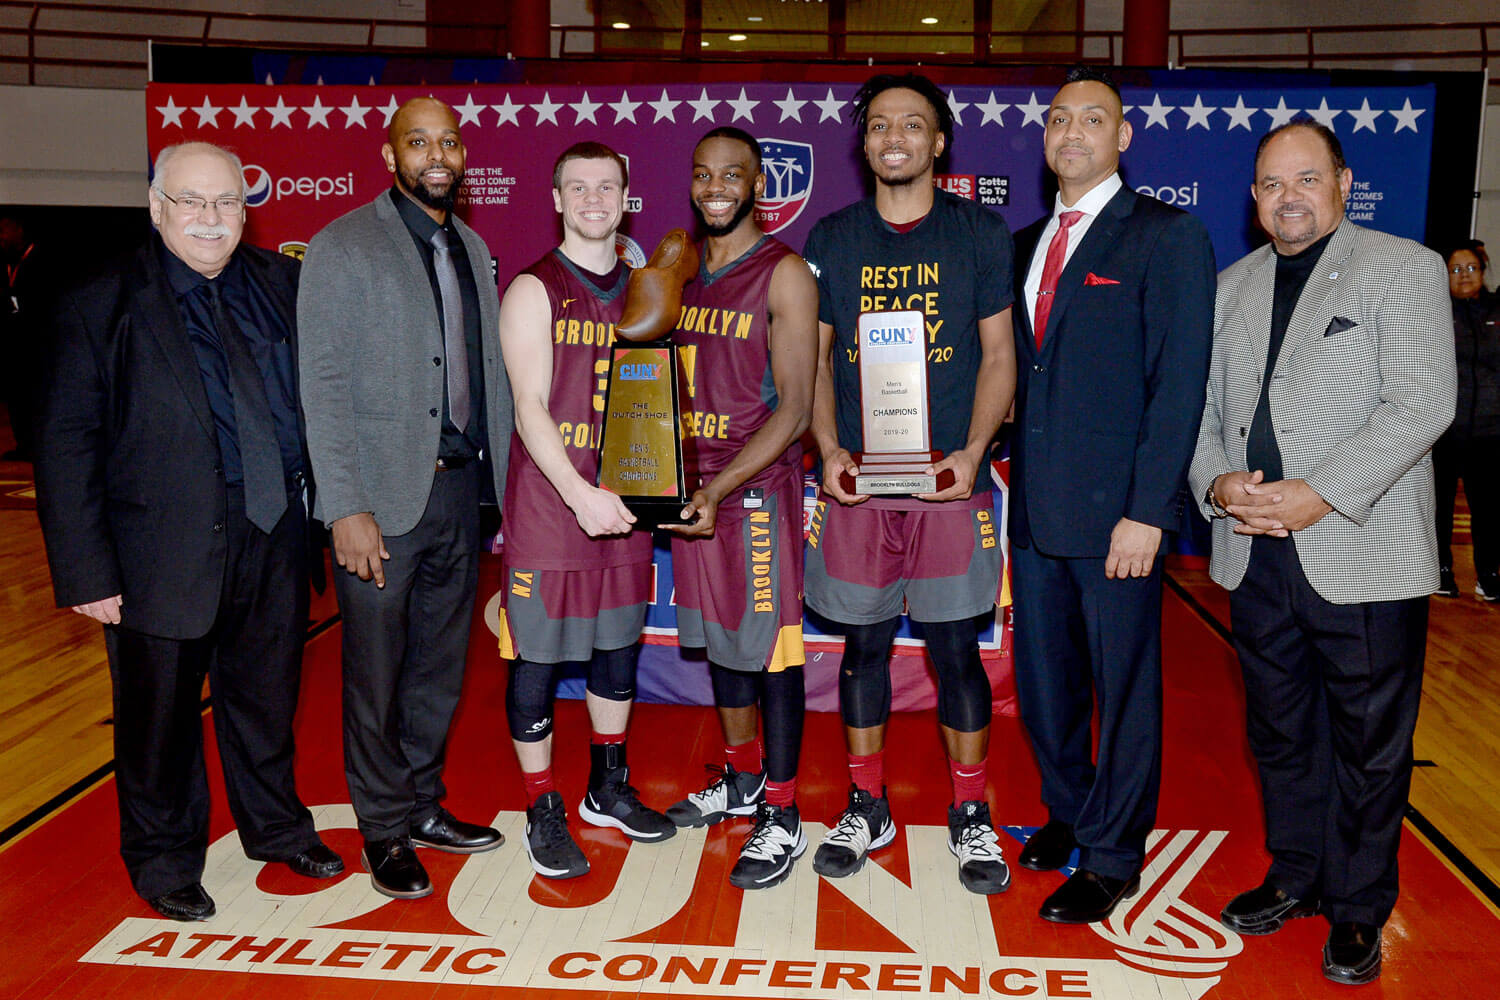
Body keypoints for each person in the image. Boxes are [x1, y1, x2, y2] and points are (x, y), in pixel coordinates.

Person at [35, 141, 343, 921]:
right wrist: (86, 571)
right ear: (156, 207)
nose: (211, 219)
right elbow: (66, 441)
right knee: (158, 720)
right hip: (155, 553)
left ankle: (275, 828)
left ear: (247, 209)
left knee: (267, 701)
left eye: (227, 202)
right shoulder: (96, 299)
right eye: (191, 202)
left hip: (274, 534)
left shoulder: (284, 284)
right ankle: (165, 858)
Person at [1188, 119, 1455, 985]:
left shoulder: (1403, 267)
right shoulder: (1229, 287)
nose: (1288, 198)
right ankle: (1297, 875)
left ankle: (1358, 906)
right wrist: (1220, 486)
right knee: (1280, 735)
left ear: (1343, 182)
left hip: (1360, 548)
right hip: (1252, 552)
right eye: (1271, 184)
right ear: (1254, 198)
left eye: (1306, 179)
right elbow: (1197, 417)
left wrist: (1318, 494)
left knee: (1371, 744)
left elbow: (1421, 405)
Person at [1007, 66, 1216, 924]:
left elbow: (1179, 389)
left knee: (1124, 691)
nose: (1072, 133)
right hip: (1034, 513)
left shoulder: (1166, 237)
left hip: (1119, 518)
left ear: (1123, 138)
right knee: (1048, 684)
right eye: (1058, 119)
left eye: (1093, 120)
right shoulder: (1022, 243)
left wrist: (1148, 510)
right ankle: (1068, 812)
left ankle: (1115, 854)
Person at [801, 72, 1017, 896]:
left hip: (946, 484)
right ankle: (868, 804)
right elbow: (817, 359)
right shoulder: (836, 236)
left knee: (958, 649)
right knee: (864, 647)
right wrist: (827, 449)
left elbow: (999, 356)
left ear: (939, 142)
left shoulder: (980, 234)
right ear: (863, 142)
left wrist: (971, 452)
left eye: (913, 124)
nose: (896, 137)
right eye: (880, 125)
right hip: (860, 483)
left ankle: (969, 814)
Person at [298, 98, 512, 900]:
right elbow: (320, 383)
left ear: (463, 156)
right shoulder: (343, 244)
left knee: (436, 672)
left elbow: (484, 377)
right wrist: (344, 504)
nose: (437, 154)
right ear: (391, 157)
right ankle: (383, 829)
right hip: (378, 506)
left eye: (449, 141)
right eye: (418, 141)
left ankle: (423, 804)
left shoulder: (472, 244)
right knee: (376, 676)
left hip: (460, 498)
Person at [496, 142, 675, 882]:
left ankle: (607, 785)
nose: (594, 198)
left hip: (623, 502)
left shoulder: (646, 290)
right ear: (558, 198)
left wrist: (660, 489)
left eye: (608, 186)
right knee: (537, 658)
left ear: (626, 196)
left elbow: (658, 402)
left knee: (617, 649)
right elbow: (529, 408)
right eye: (579, 186)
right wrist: (580, 495)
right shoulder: (535, 289)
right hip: (553, 505)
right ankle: (542, 803)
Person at [660, 127, 819, 890]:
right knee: (724, 646)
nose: (715, 187)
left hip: (751, 495)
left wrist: (719, 490)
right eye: (702, 174)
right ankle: (744, 781)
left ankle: (782, 814)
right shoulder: (680, 269)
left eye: (732, 175)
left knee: (771, 653)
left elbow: (793, 410)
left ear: (757, 184)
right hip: (692, 490)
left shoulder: (784, 274)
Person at [1433, 240, 1499, 600]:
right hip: (1444, 430)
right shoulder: (1433, 312)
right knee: (1439, 504)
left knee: (1489, 509)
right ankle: (1441, 569)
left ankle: (1488, 573)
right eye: (1455, 269)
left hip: (1490, 432)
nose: (1463, 276)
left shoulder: (1497, 310)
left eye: (1470, 268)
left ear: (1483, 272)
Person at [1, 214, 41, 460]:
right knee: (16, 399)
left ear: (18, 230)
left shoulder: (39, 261)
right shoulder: (9, 263)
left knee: (32, 398)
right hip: (15, 344)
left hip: (36, 345)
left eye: (4, 231)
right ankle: (24, 445)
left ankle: (34, 446)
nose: (1, 238)